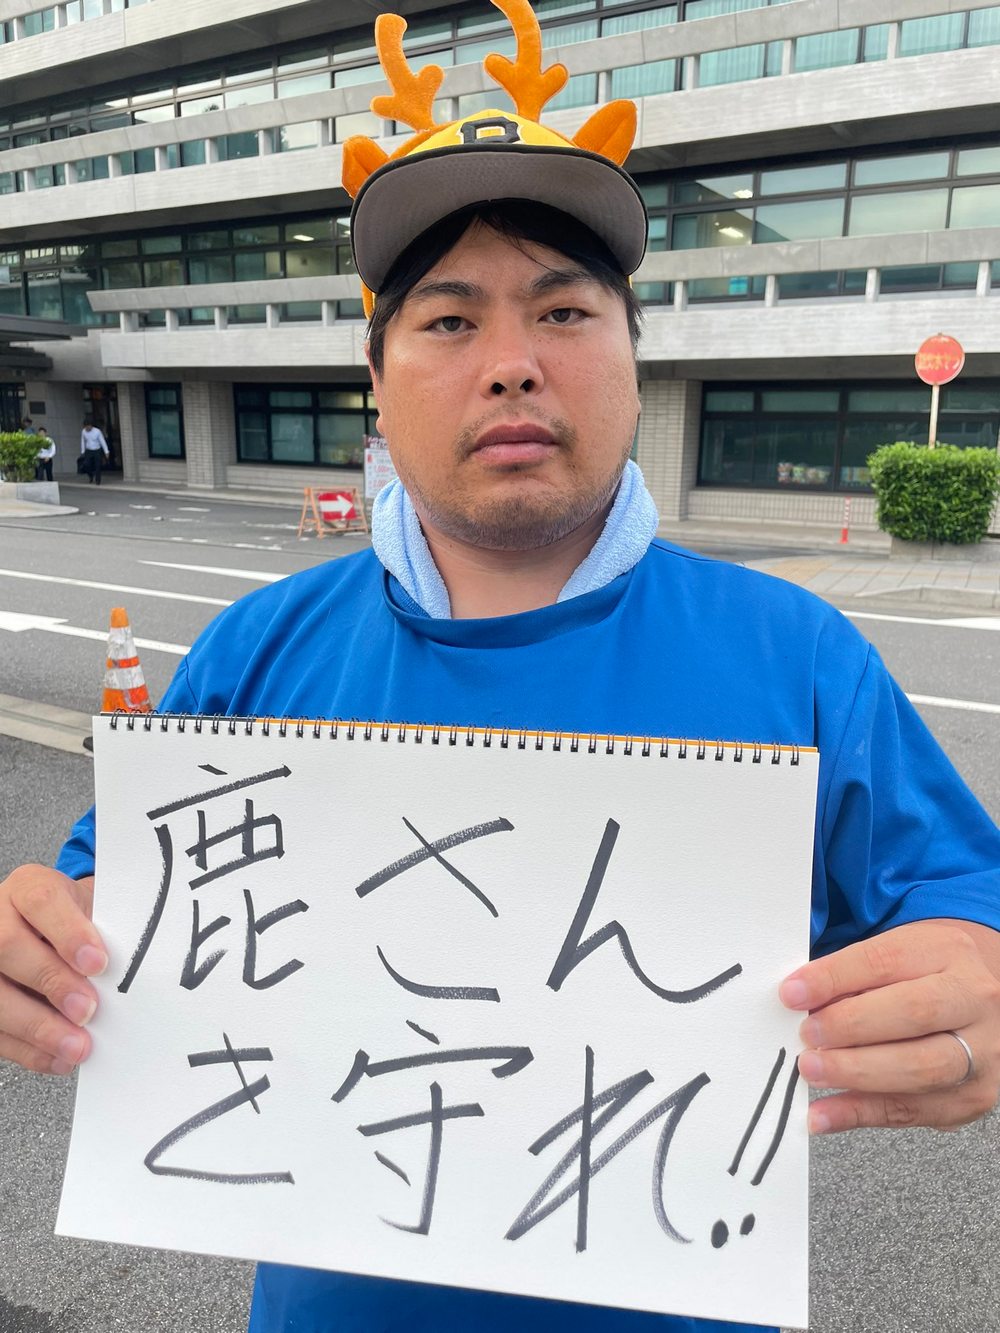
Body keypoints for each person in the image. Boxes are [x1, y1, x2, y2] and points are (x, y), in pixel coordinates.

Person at [1, 3, 999, 1331]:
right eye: (448, 320)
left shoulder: (799, 654)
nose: (513, 365)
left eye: (564, 310)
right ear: (376, 376)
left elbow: (963, 904)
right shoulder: (255, 650)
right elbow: (106, 892)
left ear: (634, 355)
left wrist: (975, 989)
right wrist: (38, 943)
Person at [79, 417, 109, 485]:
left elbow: (102, 441)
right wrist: (82, 451)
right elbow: (83, 441)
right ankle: (90, 475)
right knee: (86, 464)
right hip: (88, 450)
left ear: (91, 425)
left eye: (88, 426)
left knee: (97, 465)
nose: (87, 428)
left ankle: (98, 480)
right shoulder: (83, 432)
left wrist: (106, 451)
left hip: (97, 450)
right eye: (85, 427)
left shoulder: (97, 431)